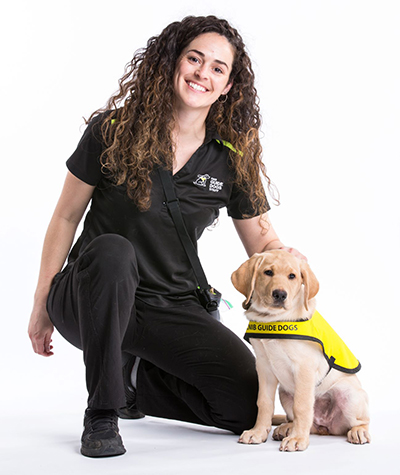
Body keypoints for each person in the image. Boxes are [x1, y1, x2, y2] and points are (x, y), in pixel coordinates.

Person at [28, 15, 305, 458]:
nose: (202, 73)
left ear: (229, 86)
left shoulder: (231, 159)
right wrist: (41, 304)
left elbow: (264, 243)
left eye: (218, 68)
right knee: (115, 252)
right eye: (194, 59)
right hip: (90, 294)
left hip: (167, 304)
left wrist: (287, 255)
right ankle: (102, 412)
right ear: (172, 62)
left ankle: (134, 381)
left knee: (241, 406)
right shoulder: (113, 131)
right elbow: (64, 218)